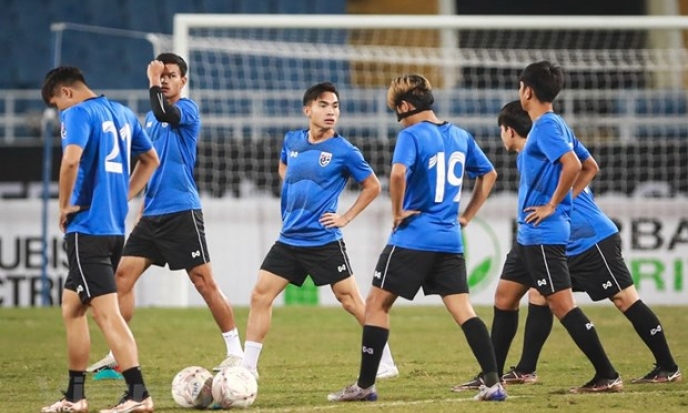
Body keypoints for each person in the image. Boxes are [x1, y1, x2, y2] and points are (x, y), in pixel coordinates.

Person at [461, 100, 681, 388]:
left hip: (590, 238)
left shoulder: (545, 145)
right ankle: (521, 370)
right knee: (527, 295)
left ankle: (667, 366)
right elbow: (585, 167)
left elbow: (585, 167)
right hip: (549, 239)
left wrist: (556, 204)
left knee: (623, 299)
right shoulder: (541, 149)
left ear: (508, 130)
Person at [328, 74, 505, 403]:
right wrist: (466, 216)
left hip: (413, 238)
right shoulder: (460, 135)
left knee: (377, 305)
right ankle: (493, 383)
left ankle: (365, 386)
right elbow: (490, 173)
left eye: (397, 110)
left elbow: (397, 173)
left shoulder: (411, 135)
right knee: (464, 311)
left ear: (405, 106)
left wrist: (397, 212)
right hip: (450, 240)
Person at [453, 62, 623, 395]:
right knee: (504, 298)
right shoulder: (553, 125)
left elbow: (575, 165)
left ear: (526, 90)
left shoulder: (545, 126)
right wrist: (561, 200)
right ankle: (492, 375)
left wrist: (553, 205)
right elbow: (590, 166)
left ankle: (608, 374)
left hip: (544, 236)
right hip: (528, 236)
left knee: (562, 306)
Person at [87, 53, 244, 374]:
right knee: (121, 279)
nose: (163, 80)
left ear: (183, 81)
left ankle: (236, 353)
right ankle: (118, 355)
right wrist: (127, 200)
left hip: (181, 210)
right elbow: (147, 164)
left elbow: (164, 110)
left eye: (170, 75)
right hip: (152, 213)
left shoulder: (186, 110)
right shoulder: (148, 118)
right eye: (161, 76)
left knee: (204, 282)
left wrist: (150, 81)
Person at [240, 82, 398, 380]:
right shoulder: (292, 141)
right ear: (307, 109)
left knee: (351, 301)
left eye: (335, 106)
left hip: (323, 241)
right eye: (324, 105)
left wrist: (345, 217)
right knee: (260, 295)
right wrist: (294, 198)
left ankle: (386, 361)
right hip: (289, 239)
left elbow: (373, 186)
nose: (331, 111)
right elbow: (284, 167)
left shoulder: (344, 150)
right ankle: (248, 368)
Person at [40, 66, 159, 413]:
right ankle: (75, 396)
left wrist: (64, 204)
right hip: (113, 229)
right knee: (72, 307)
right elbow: (150, 159)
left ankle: (139, 393)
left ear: (65, 92)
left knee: (106, 314)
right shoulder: (122, 112)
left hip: (87, 229)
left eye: (56, 105)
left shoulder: (77, 113)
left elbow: (71, 160)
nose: (59, 113)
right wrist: (123, 195)